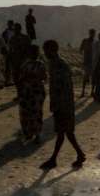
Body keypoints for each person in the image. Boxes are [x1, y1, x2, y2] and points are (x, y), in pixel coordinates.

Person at [40, 40, 87, 169]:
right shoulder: (54, 64)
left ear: (52, 50)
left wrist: (58, 105)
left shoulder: (60, 65)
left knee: (63, 132)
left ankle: (54, 159)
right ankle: (79, 154)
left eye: (46, 50)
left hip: (63, 104)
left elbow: (63, 88)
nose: (45, 53)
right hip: (62, 104)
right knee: (66, 132)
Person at [17, 45, 47, 143]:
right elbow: (44, 77)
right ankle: (36, 134)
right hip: (36, 91)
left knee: (27, 113)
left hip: (27, 91)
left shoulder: (25, 64)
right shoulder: (40, 64)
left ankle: (29, 133)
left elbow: (20, 79)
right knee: (36, 113)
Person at [8, 23, 32, 91]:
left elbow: (29, 49)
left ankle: (23, 92)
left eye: (17, 28)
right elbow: (10, 50)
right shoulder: (12, 38)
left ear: (20, 29)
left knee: (24, 78)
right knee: (16, 78)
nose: (16, 30)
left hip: (24, 61)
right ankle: (19, 93)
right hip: (15, 61)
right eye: (15, 29)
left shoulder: (26, 37)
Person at [79, 29, 95, 97]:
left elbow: (80, 50)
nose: (92, 34)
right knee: (86, 77)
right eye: (91, 33)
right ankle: (83, 92)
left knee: (93, 77)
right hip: (87, 62)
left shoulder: (95, 42)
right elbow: (80, 49)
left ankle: (91, 92)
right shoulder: (85, 41)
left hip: (92, 62)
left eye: (93, 33)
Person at [1, 20, 15, 86]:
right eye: (9, 24)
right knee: (7, 67)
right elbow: (3, 42)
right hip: (8, 51)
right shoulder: (5, 33)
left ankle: (12, 80)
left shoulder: (15, 32)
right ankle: (7, 81)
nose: (10, 25)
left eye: (11, 24)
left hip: (14, 51)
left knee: (13, 67)